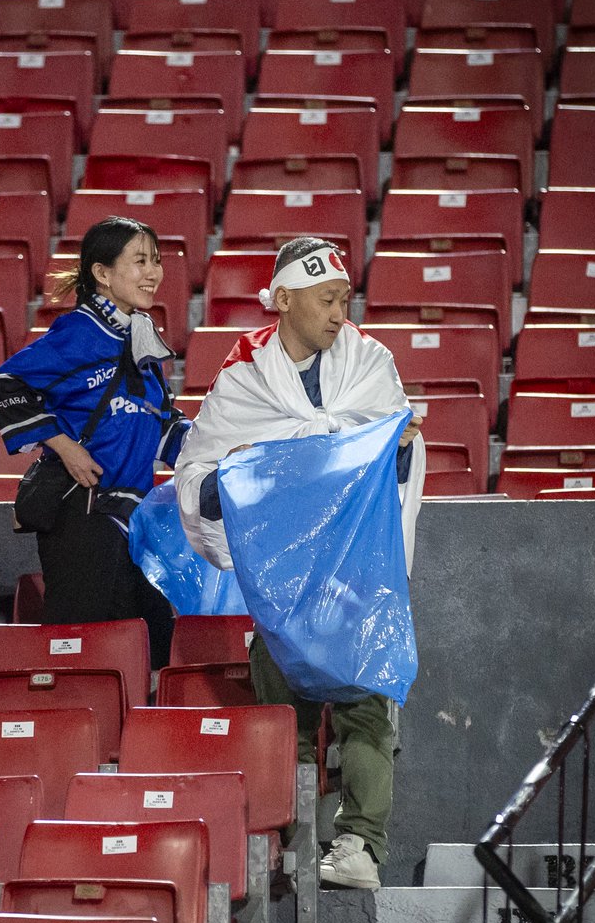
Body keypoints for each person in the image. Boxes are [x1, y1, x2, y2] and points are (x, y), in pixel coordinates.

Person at [174, 236, 426, 889]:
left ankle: (361, 847)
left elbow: (396, 461)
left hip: (354, 577)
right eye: (325, 300)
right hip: (284, 587)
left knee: (367, 710)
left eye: (344, 299)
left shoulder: (372, 363)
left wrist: (389, 451)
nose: (340, 313)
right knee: (281, 718)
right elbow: (202, 470)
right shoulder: (243, 377)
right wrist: (230, 484)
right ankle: (280, 852)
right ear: (283, 299)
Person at [0, 216, 189, 667]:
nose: (154, 272)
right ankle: (58, 731)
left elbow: (158, 427)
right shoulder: (78, 332)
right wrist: (63, 443)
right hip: (82, 513)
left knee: (151, 639)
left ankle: (126, 732)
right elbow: (4, 383)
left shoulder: (140, 340)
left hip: (127, 521)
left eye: (156, 261)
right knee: (78, 647)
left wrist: (223, 447)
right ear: (102, 273)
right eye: (139, 261)